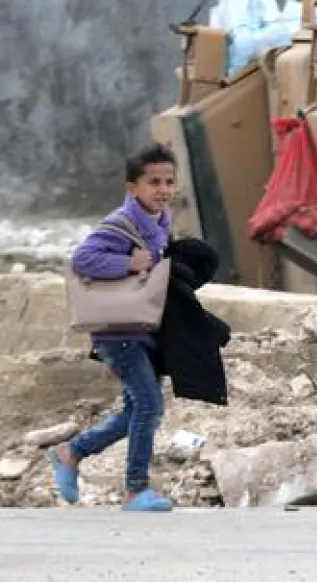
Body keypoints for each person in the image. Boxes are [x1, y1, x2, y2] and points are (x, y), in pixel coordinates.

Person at [48, 142, 181, 512]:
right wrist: (127, 263)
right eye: (153, 182)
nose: (163, 189)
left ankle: (70, 452)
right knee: (150, 406)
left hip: (143, 328)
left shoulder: (162, 219)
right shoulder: (120, 224)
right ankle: (135, 490)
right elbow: (83, 259)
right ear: (131, 187)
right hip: (117, 331)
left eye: (169, 181)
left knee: (135, 410)